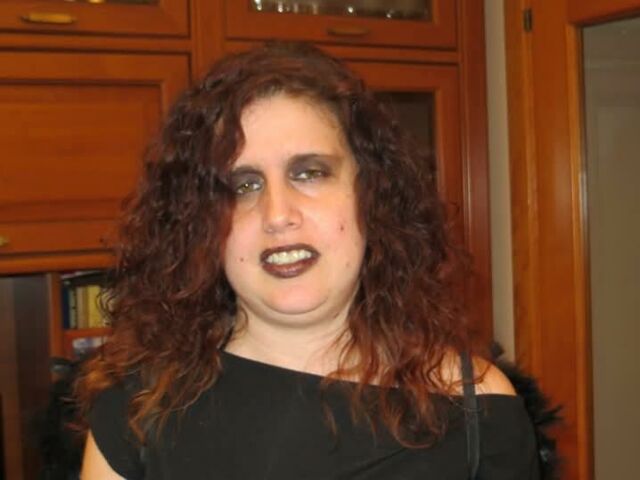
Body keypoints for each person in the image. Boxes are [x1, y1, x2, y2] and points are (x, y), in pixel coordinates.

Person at [77, 42, 540, 479]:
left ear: (371, 195)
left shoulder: (479, 409)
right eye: (244, 185)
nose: (278, 214)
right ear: (199, 221)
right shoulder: (135, 414)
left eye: (310, 173)